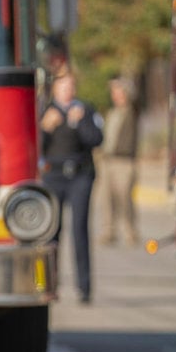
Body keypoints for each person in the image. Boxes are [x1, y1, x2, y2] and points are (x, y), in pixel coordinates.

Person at [40, 71, 104, 304]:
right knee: (50, 233)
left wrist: (78, 124)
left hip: (80, 176)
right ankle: (47, 285)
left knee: (79, 230)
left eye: (71, 85)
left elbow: (97, 139)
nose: (67, 90)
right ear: (55, 89)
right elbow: (35, 145)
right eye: (63, 86)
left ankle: (84, 288)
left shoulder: (85, 110)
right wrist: (45, 128)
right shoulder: (47, 110)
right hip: (54, 176)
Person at [96, 77, 140, 247]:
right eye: (114, 93)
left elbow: (136, 99)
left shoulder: (131, 111)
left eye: (120, 93)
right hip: (108, 159)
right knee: (107, 199)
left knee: (125, 198)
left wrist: (123, 83)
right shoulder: (111, 113)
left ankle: (130, 230)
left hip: (124, 160)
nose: (117, 96)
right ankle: (109, 231)